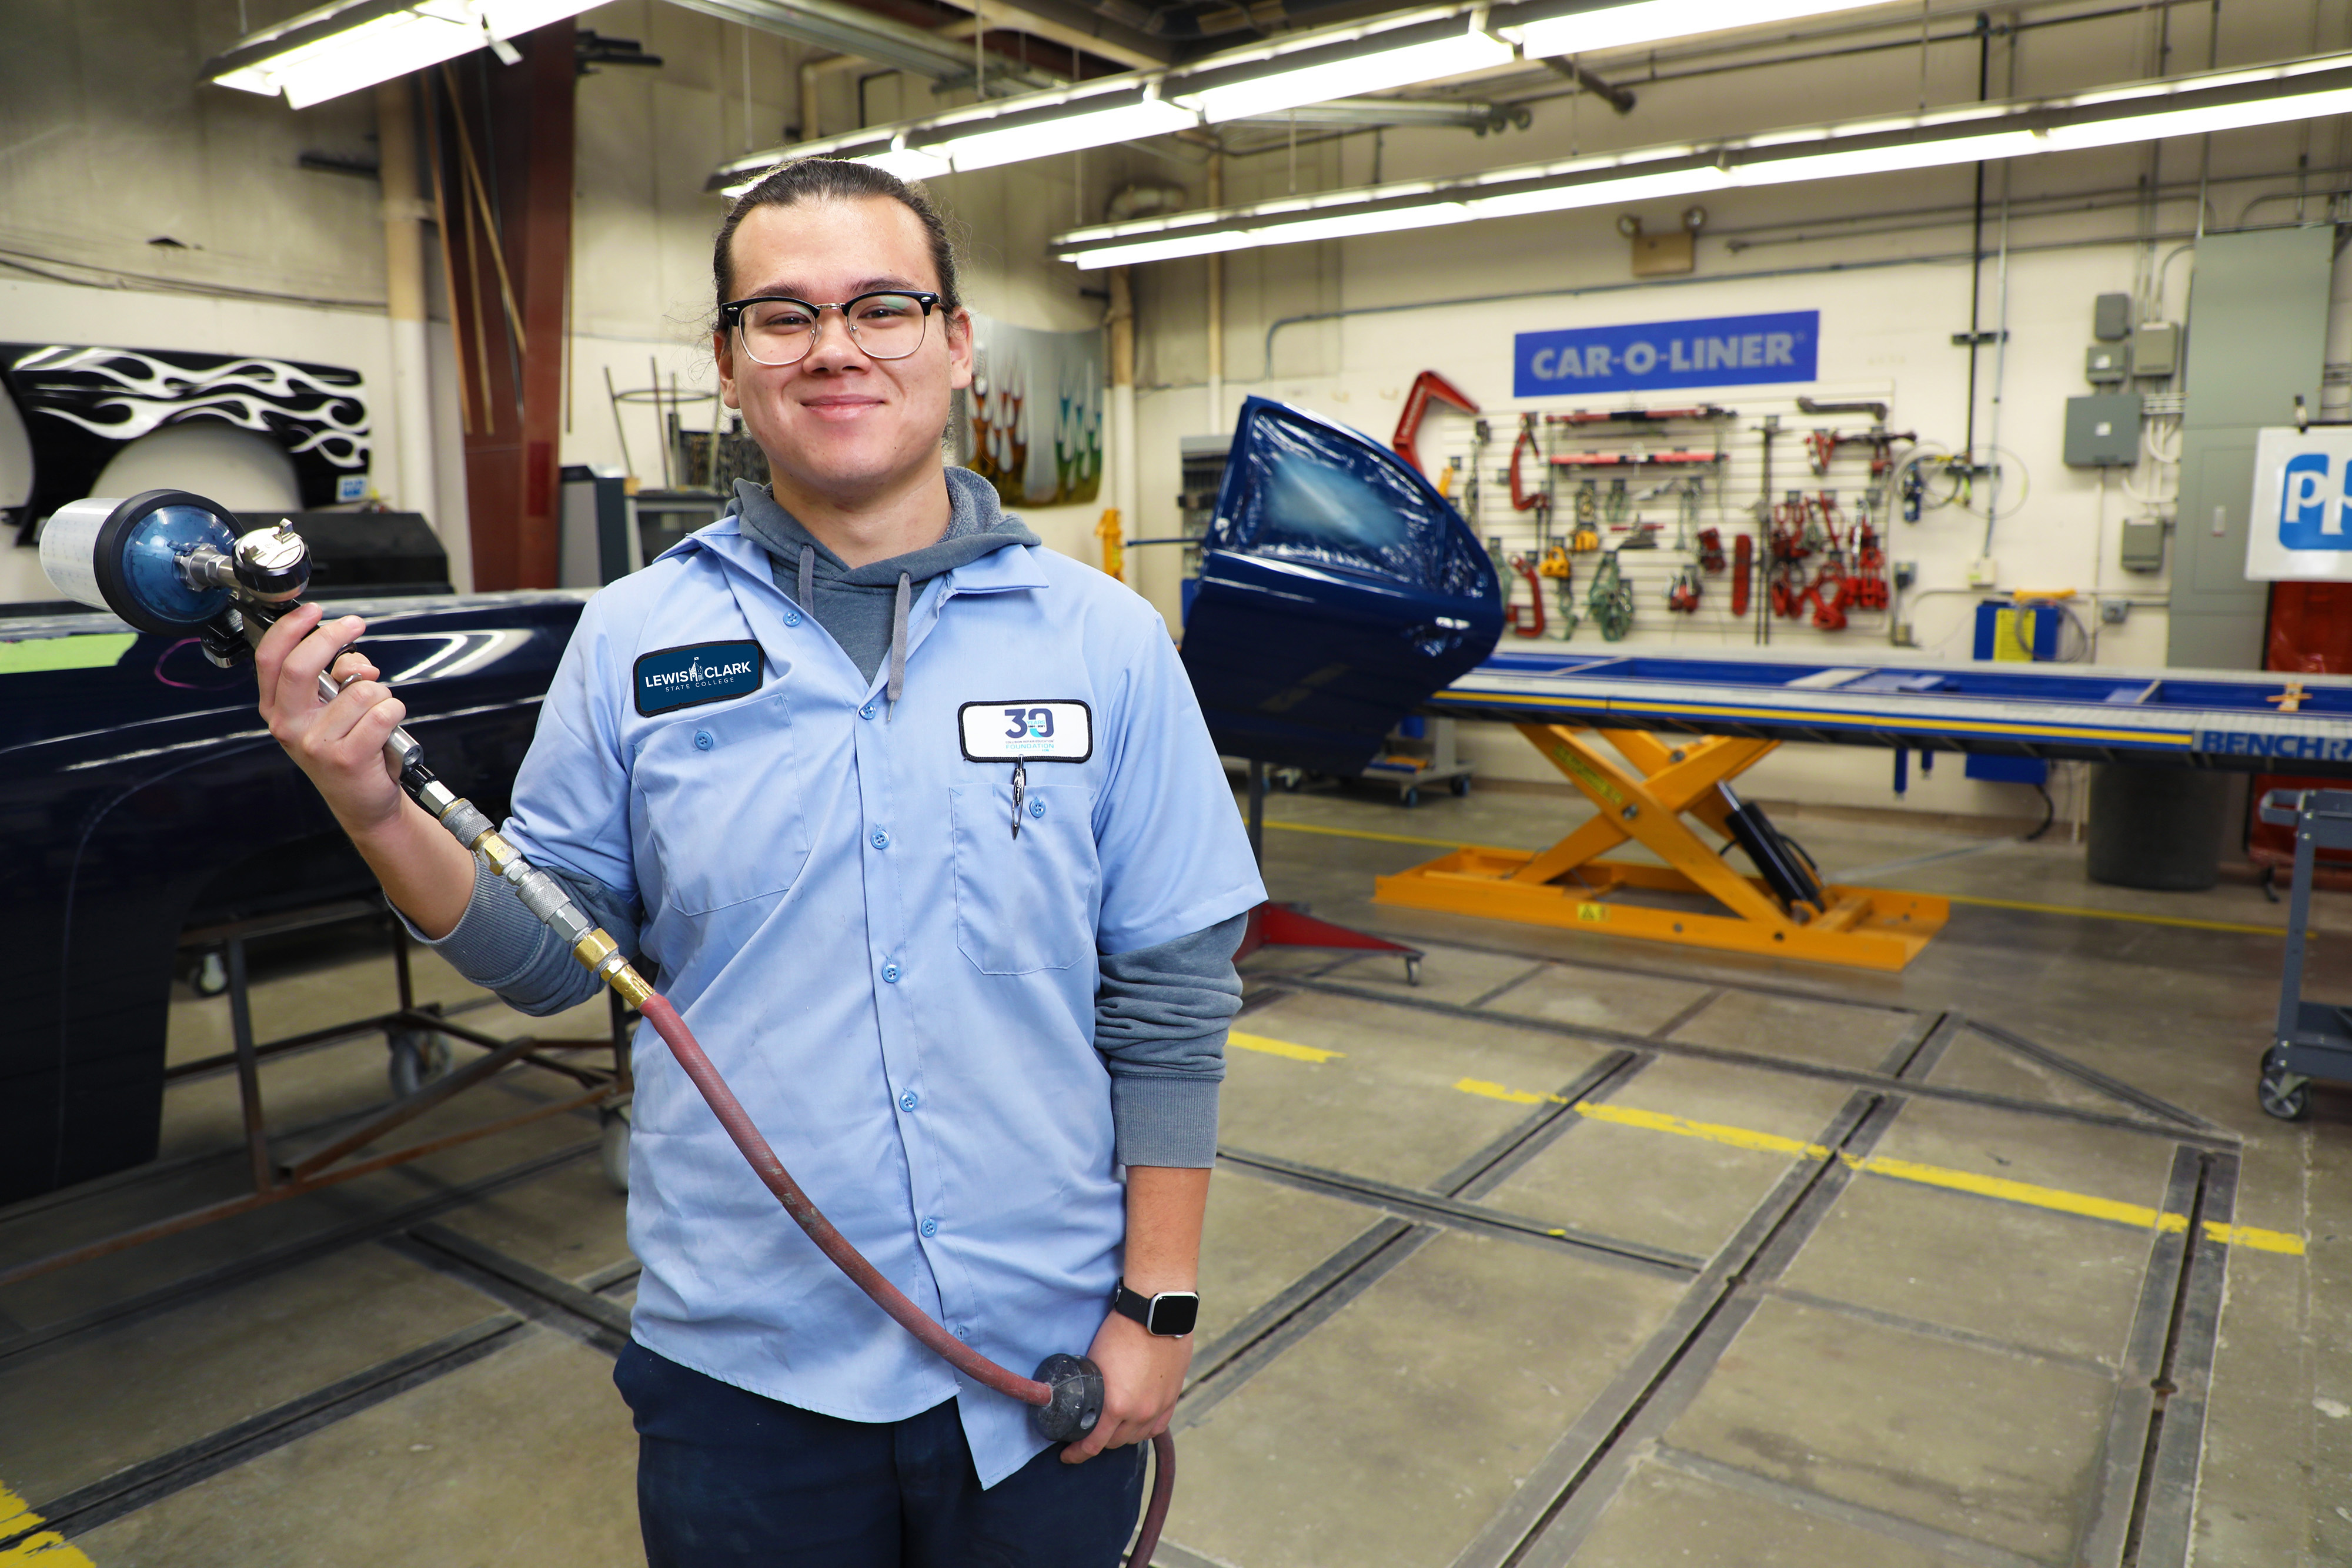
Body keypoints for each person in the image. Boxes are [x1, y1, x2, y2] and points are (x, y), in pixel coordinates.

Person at [253, 157, 1264, 1567]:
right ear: (728, 364)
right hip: (744, 1368)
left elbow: (1167, 996)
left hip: (1038, 1350)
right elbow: (557, 957)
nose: (834, 346)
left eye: (881, 307)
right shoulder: (630, 639)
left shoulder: (1103, 641)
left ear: (956, 341)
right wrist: (374, 809)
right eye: (780, 316)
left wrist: (1156, 1307)